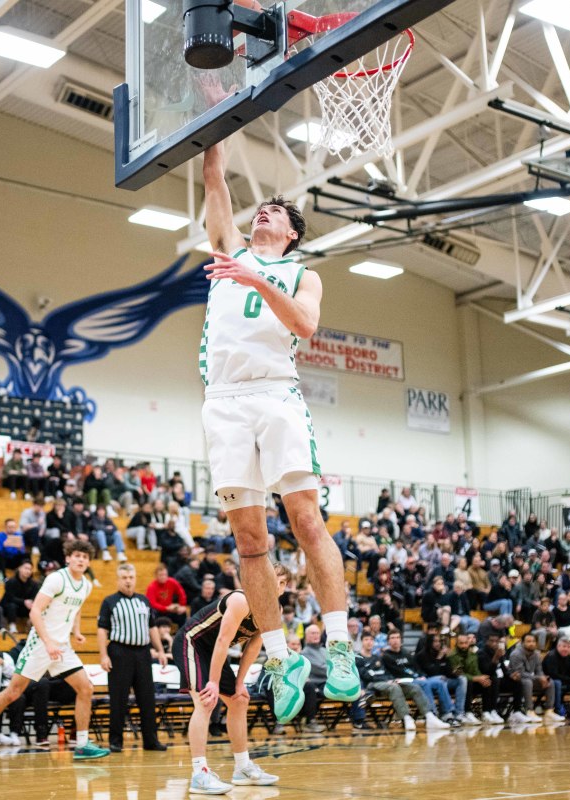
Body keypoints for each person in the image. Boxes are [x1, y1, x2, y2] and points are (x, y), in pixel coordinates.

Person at [197, 133, 357, 725]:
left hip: (275, 394)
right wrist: (217, 122)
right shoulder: (227, 248)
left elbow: (307, 327)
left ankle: (338, 646)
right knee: (248, 541)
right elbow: (214, 179)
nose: (264, 210)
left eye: (278, 212)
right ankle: (281, 658)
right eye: (261, 207)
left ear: (291, 232)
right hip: (224, 402)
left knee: (306, 519)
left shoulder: (300, 273)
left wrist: (256, 280)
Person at [0, 540, 110, 764]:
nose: (81, 560)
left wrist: (77, 632)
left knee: (86, 688)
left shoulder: (86, 585)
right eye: (77, 555)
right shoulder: (56, 579)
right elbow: (35, 612)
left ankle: (81, 744)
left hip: (62, 647)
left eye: (85, 557)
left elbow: (76, 608)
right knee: (13, 692)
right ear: (68, 558)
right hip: (40, 645)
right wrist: (48, 641)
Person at [173, 563, 287, 794]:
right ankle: (199, 774)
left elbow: (254, 646)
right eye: (275, 578)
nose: (278, 585)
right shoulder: (240, 600)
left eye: (283, 582)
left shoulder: (276, 610)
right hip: (192, 643)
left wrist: (239, 682)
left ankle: (242, 768)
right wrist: (213, 682)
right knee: (206, 701)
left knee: (239, 700)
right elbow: (223, 640)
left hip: (215, 652)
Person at [97, 562, 169, 753]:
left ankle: (150, 741)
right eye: (124, 578)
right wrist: (103, 655)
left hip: (143, 652)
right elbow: (102, 630)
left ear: (135, 578)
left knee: (147, 698)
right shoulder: (109, 601)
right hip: (119, 652)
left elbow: (152, 627)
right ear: (118, 579)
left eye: (131, 577)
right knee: (118, 698)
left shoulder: (144, 601)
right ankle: (115, 741)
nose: (128, 581)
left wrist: (160, 650)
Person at [354, 631, 430, 730]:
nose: (369, 642)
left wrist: (392, 679)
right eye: (366, 640)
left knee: (413, 687)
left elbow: (385, 672)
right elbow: (366, 676)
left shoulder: (377, 657)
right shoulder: (358, 658)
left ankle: (430, 716)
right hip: (372, 686)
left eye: (371, 640)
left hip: (386, 684)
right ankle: (406, 718)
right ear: (362, 642)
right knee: (393, 687)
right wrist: (387, 680)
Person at [382, 629, 453, 729]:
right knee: (424, 684)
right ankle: (431, 715)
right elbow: (393, 672)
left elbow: (417, 668)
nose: (395, 640)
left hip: (416, 679)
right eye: (392, 638)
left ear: (401, 639)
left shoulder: (406, 653)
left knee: (439, 681)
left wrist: (422, 675)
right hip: (403, 682)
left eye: (397, 637)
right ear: (388, 641)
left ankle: (448, 714)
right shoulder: (386, 656)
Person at [1, 560, 40, 634]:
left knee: (36, 607)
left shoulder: (34, 584)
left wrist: (31, 602)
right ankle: (12, 627)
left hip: (24, 609)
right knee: (11, 606)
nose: (28, 571)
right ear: (19, 568)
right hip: (10, 608)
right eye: (26, 568)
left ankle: (32, 628)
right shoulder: (10, 582)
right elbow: (10, 598)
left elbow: (35, 597)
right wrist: (24, 602)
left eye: (30, 569)